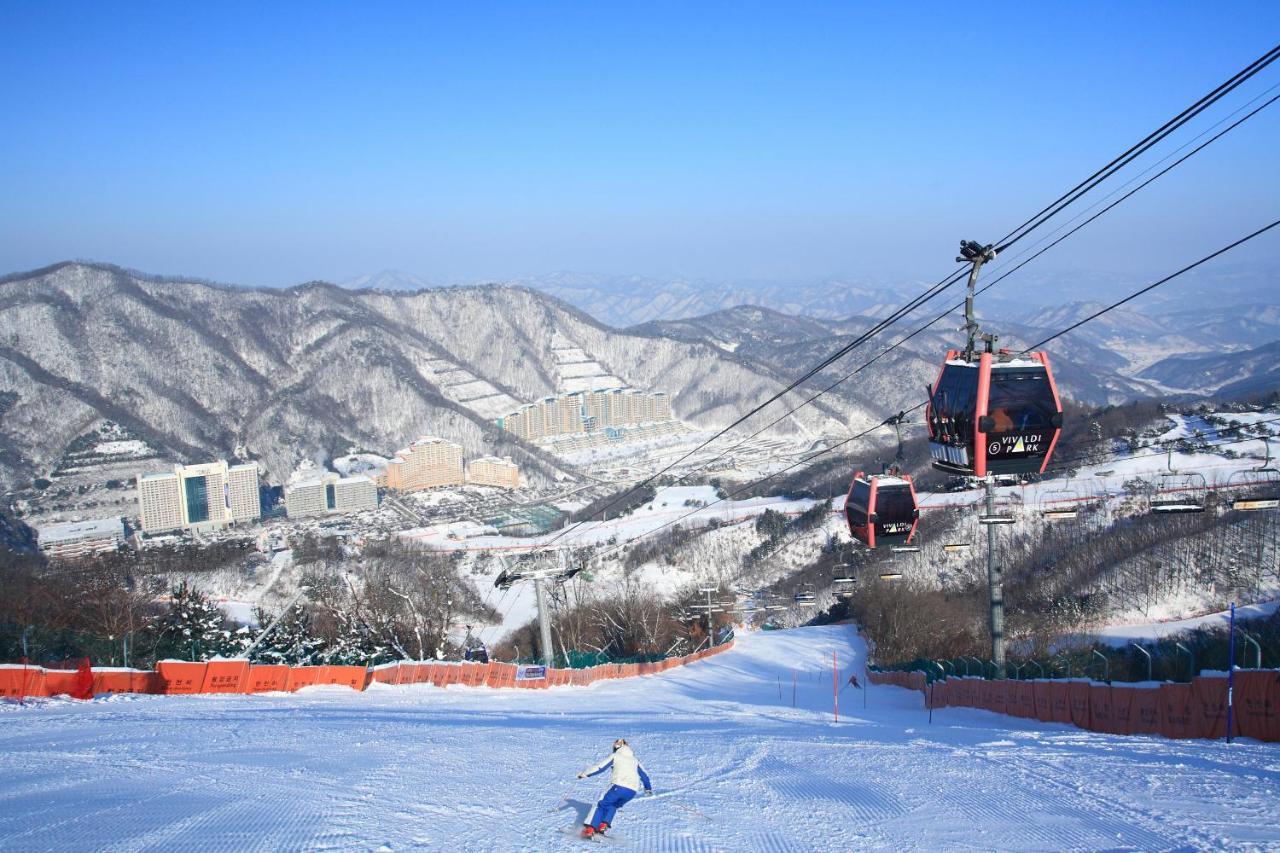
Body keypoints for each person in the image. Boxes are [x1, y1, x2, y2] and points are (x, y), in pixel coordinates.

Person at [576, 738, 653, 838]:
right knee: (613, 805)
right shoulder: (635, 760)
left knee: (601, 804)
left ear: (618, 746)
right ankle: (602, 825)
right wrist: (648, 788)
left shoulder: (616, 756)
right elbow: (644, 776)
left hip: (618, 786)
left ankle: (590, 829)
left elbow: (600, 767)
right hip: (632, 791)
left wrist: (584, 774)